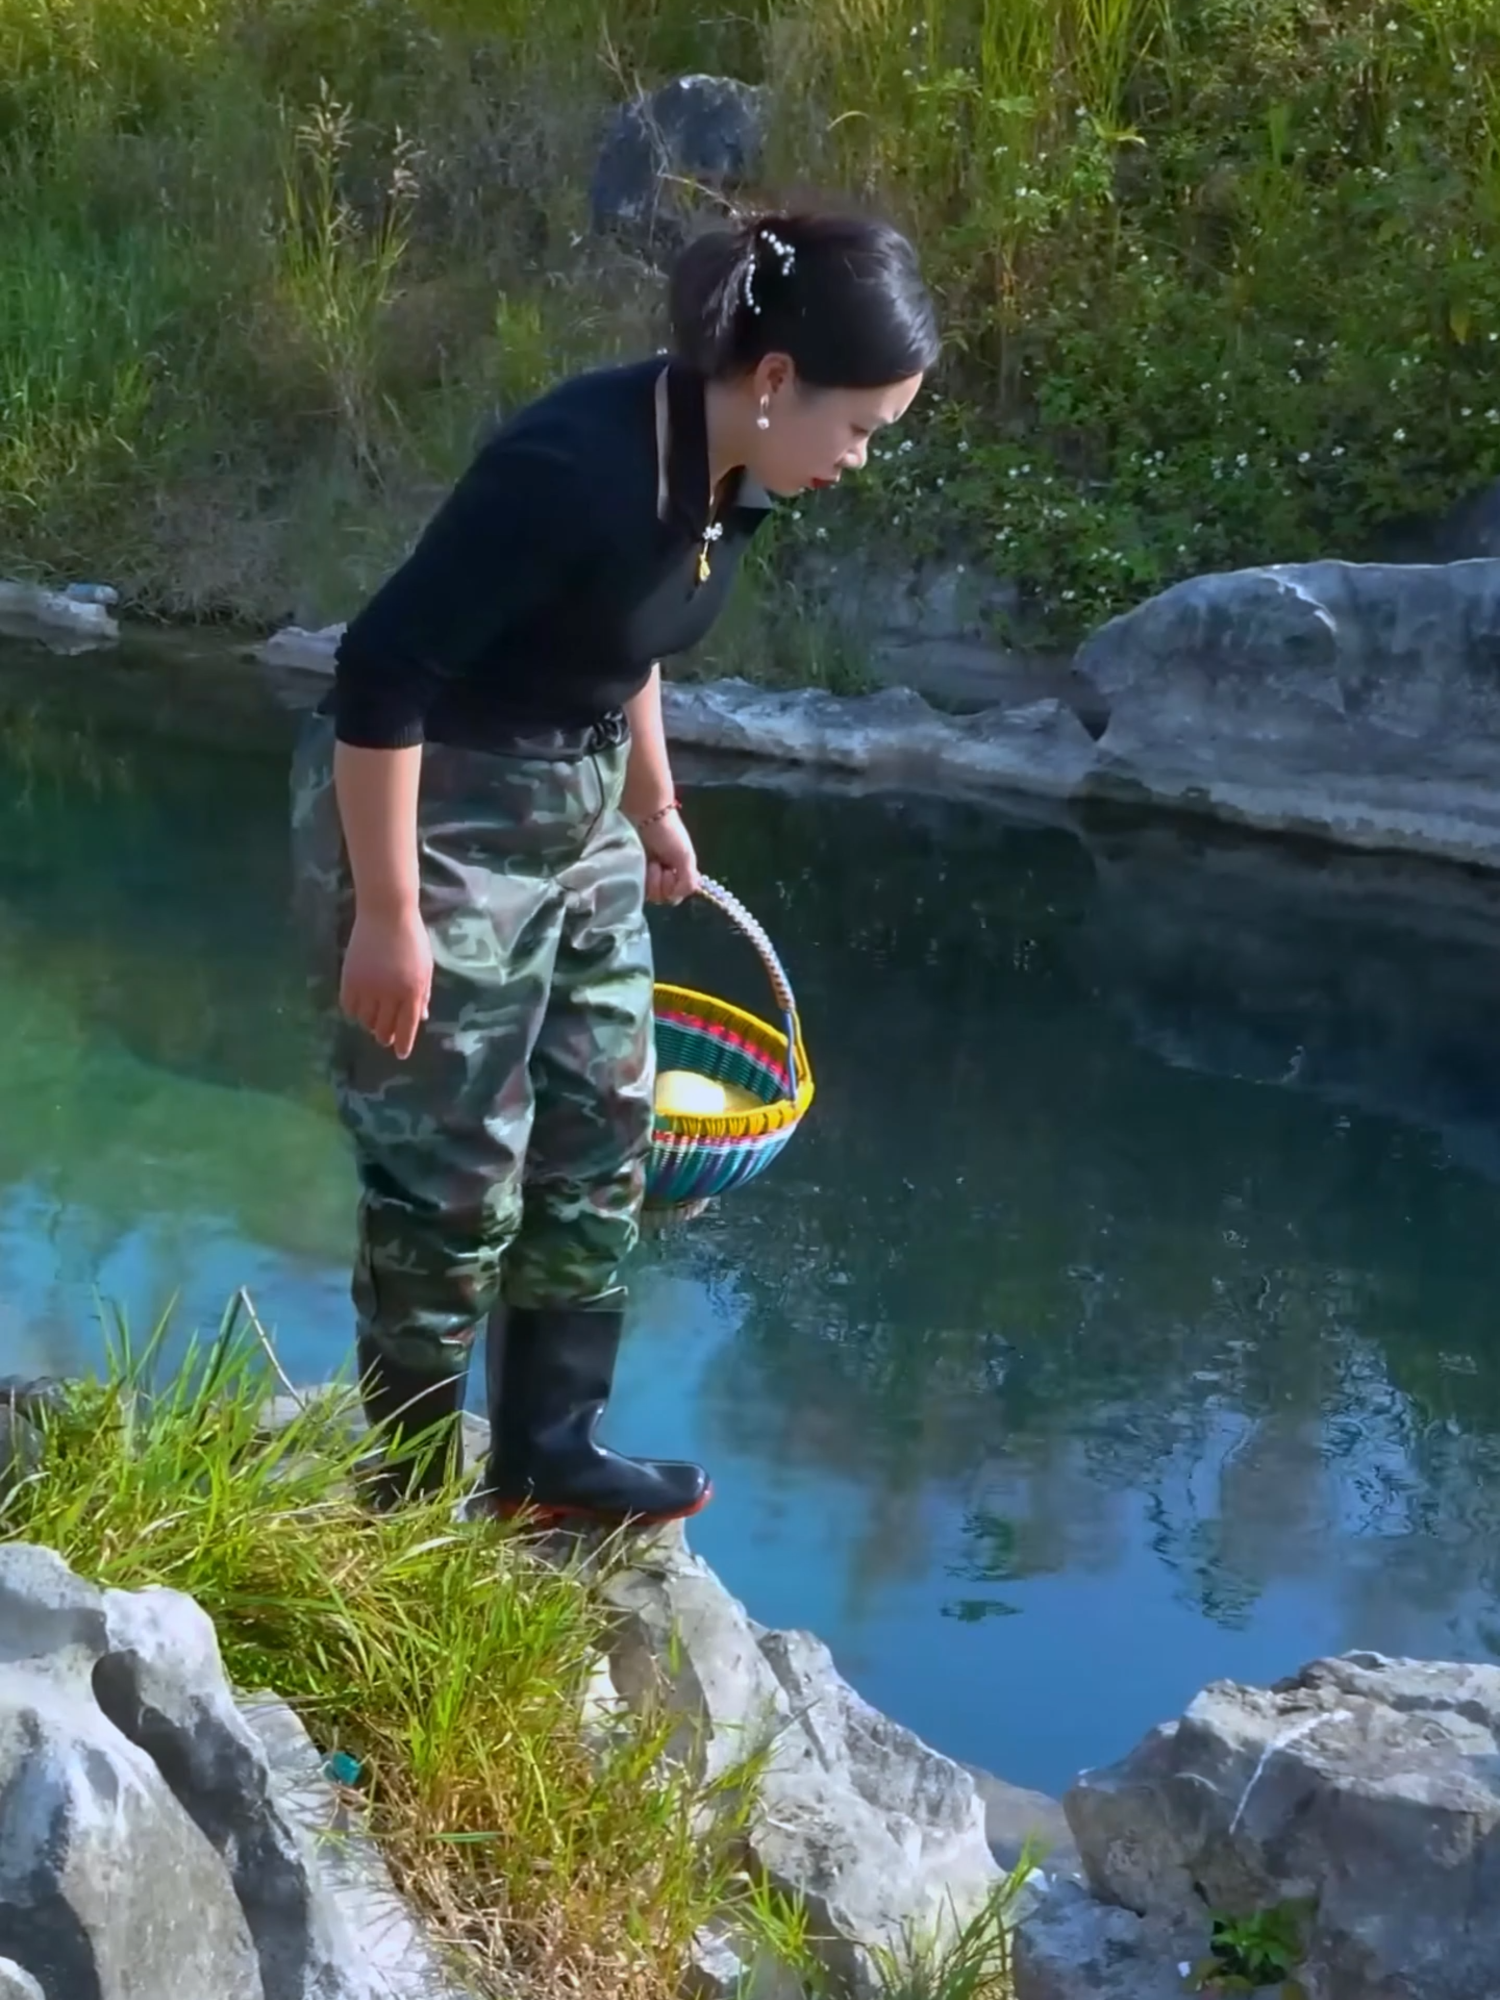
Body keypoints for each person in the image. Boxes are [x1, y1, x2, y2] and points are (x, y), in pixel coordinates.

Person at [291, 207, 939, 1525]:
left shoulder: (741, 474)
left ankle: (549, 1459)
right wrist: (391, 915)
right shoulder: (573, 468)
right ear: (775, 379)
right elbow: (381, 674)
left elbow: (625, 641)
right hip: (436, 806)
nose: (861, 458)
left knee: (602, 1130)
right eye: (861, 427)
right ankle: (406, 1494)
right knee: (451, 1173)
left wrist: (654, 807)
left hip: (578, 801)